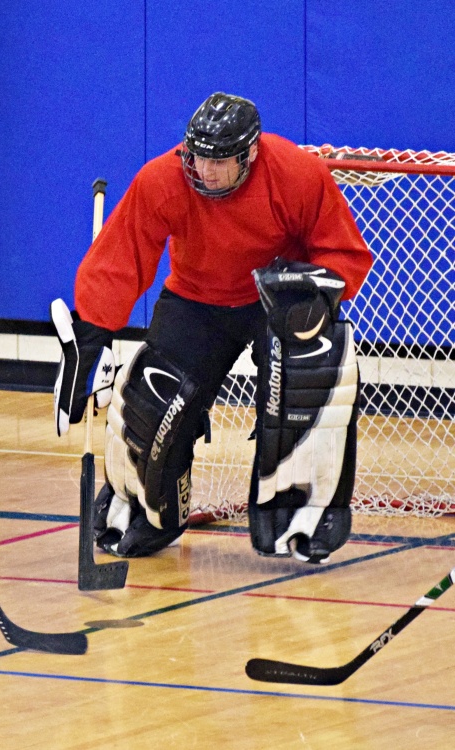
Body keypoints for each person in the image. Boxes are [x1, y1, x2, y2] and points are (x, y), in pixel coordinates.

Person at [53, 92, 374, 564]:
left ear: (250, 153)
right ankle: (150, 508)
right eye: (198, 157)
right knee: (149, 396)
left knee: (307, 378)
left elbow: (342, 253)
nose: (205, 171)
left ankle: (301, 508)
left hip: (275, 299)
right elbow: (123, 252)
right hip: (197, 299)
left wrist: (310, 297)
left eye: (219, 161)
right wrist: (94, 327)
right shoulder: (163, 178)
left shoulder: (296, 173)